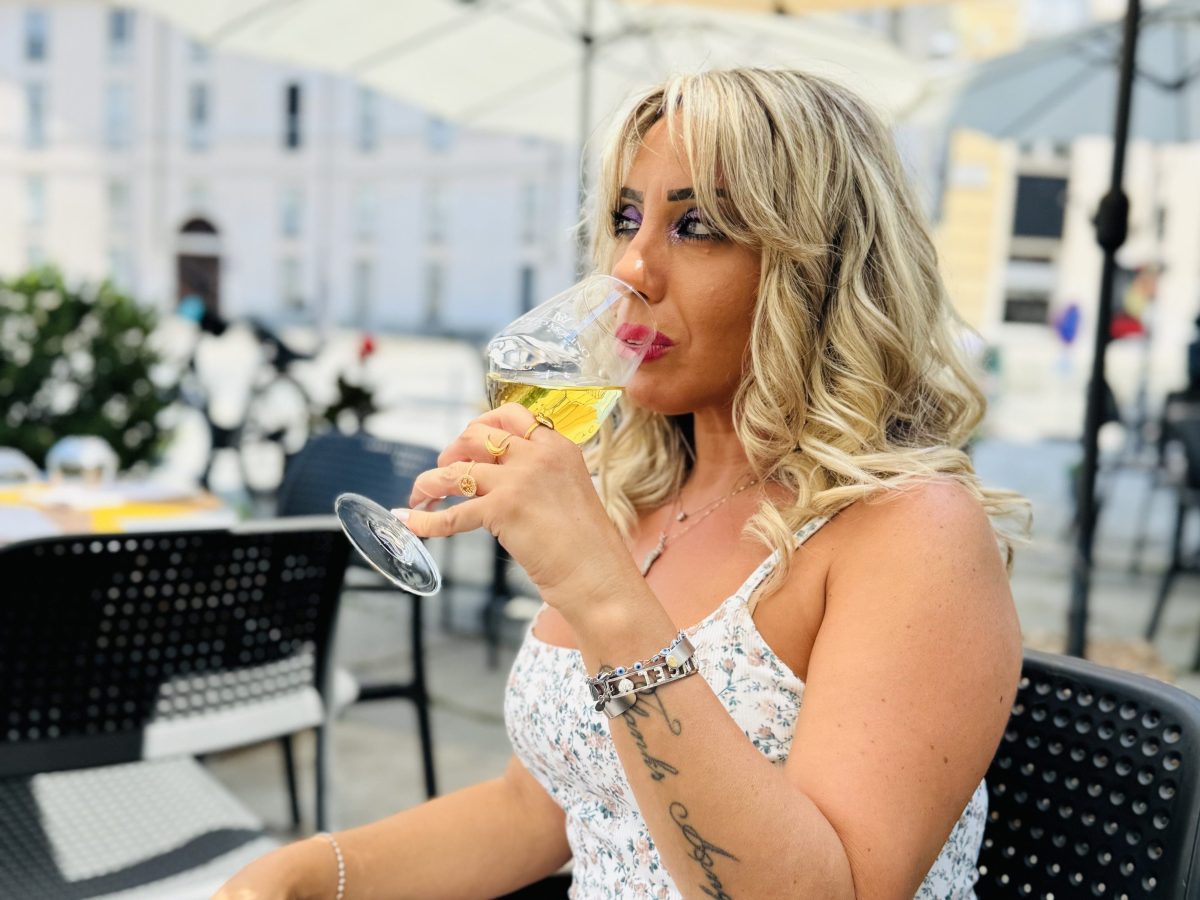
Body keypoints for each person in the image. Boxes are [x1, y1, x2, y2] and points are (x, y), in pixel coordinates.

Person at [215, 67, 1028, 900]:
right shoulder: (640, 495)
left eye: (698, 225)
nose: (633, 268)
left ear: (815, 270)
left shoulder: (912, 532)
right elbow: (538, 812)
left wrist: (603, 595)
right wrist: (309, 872)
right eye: (627, 219)